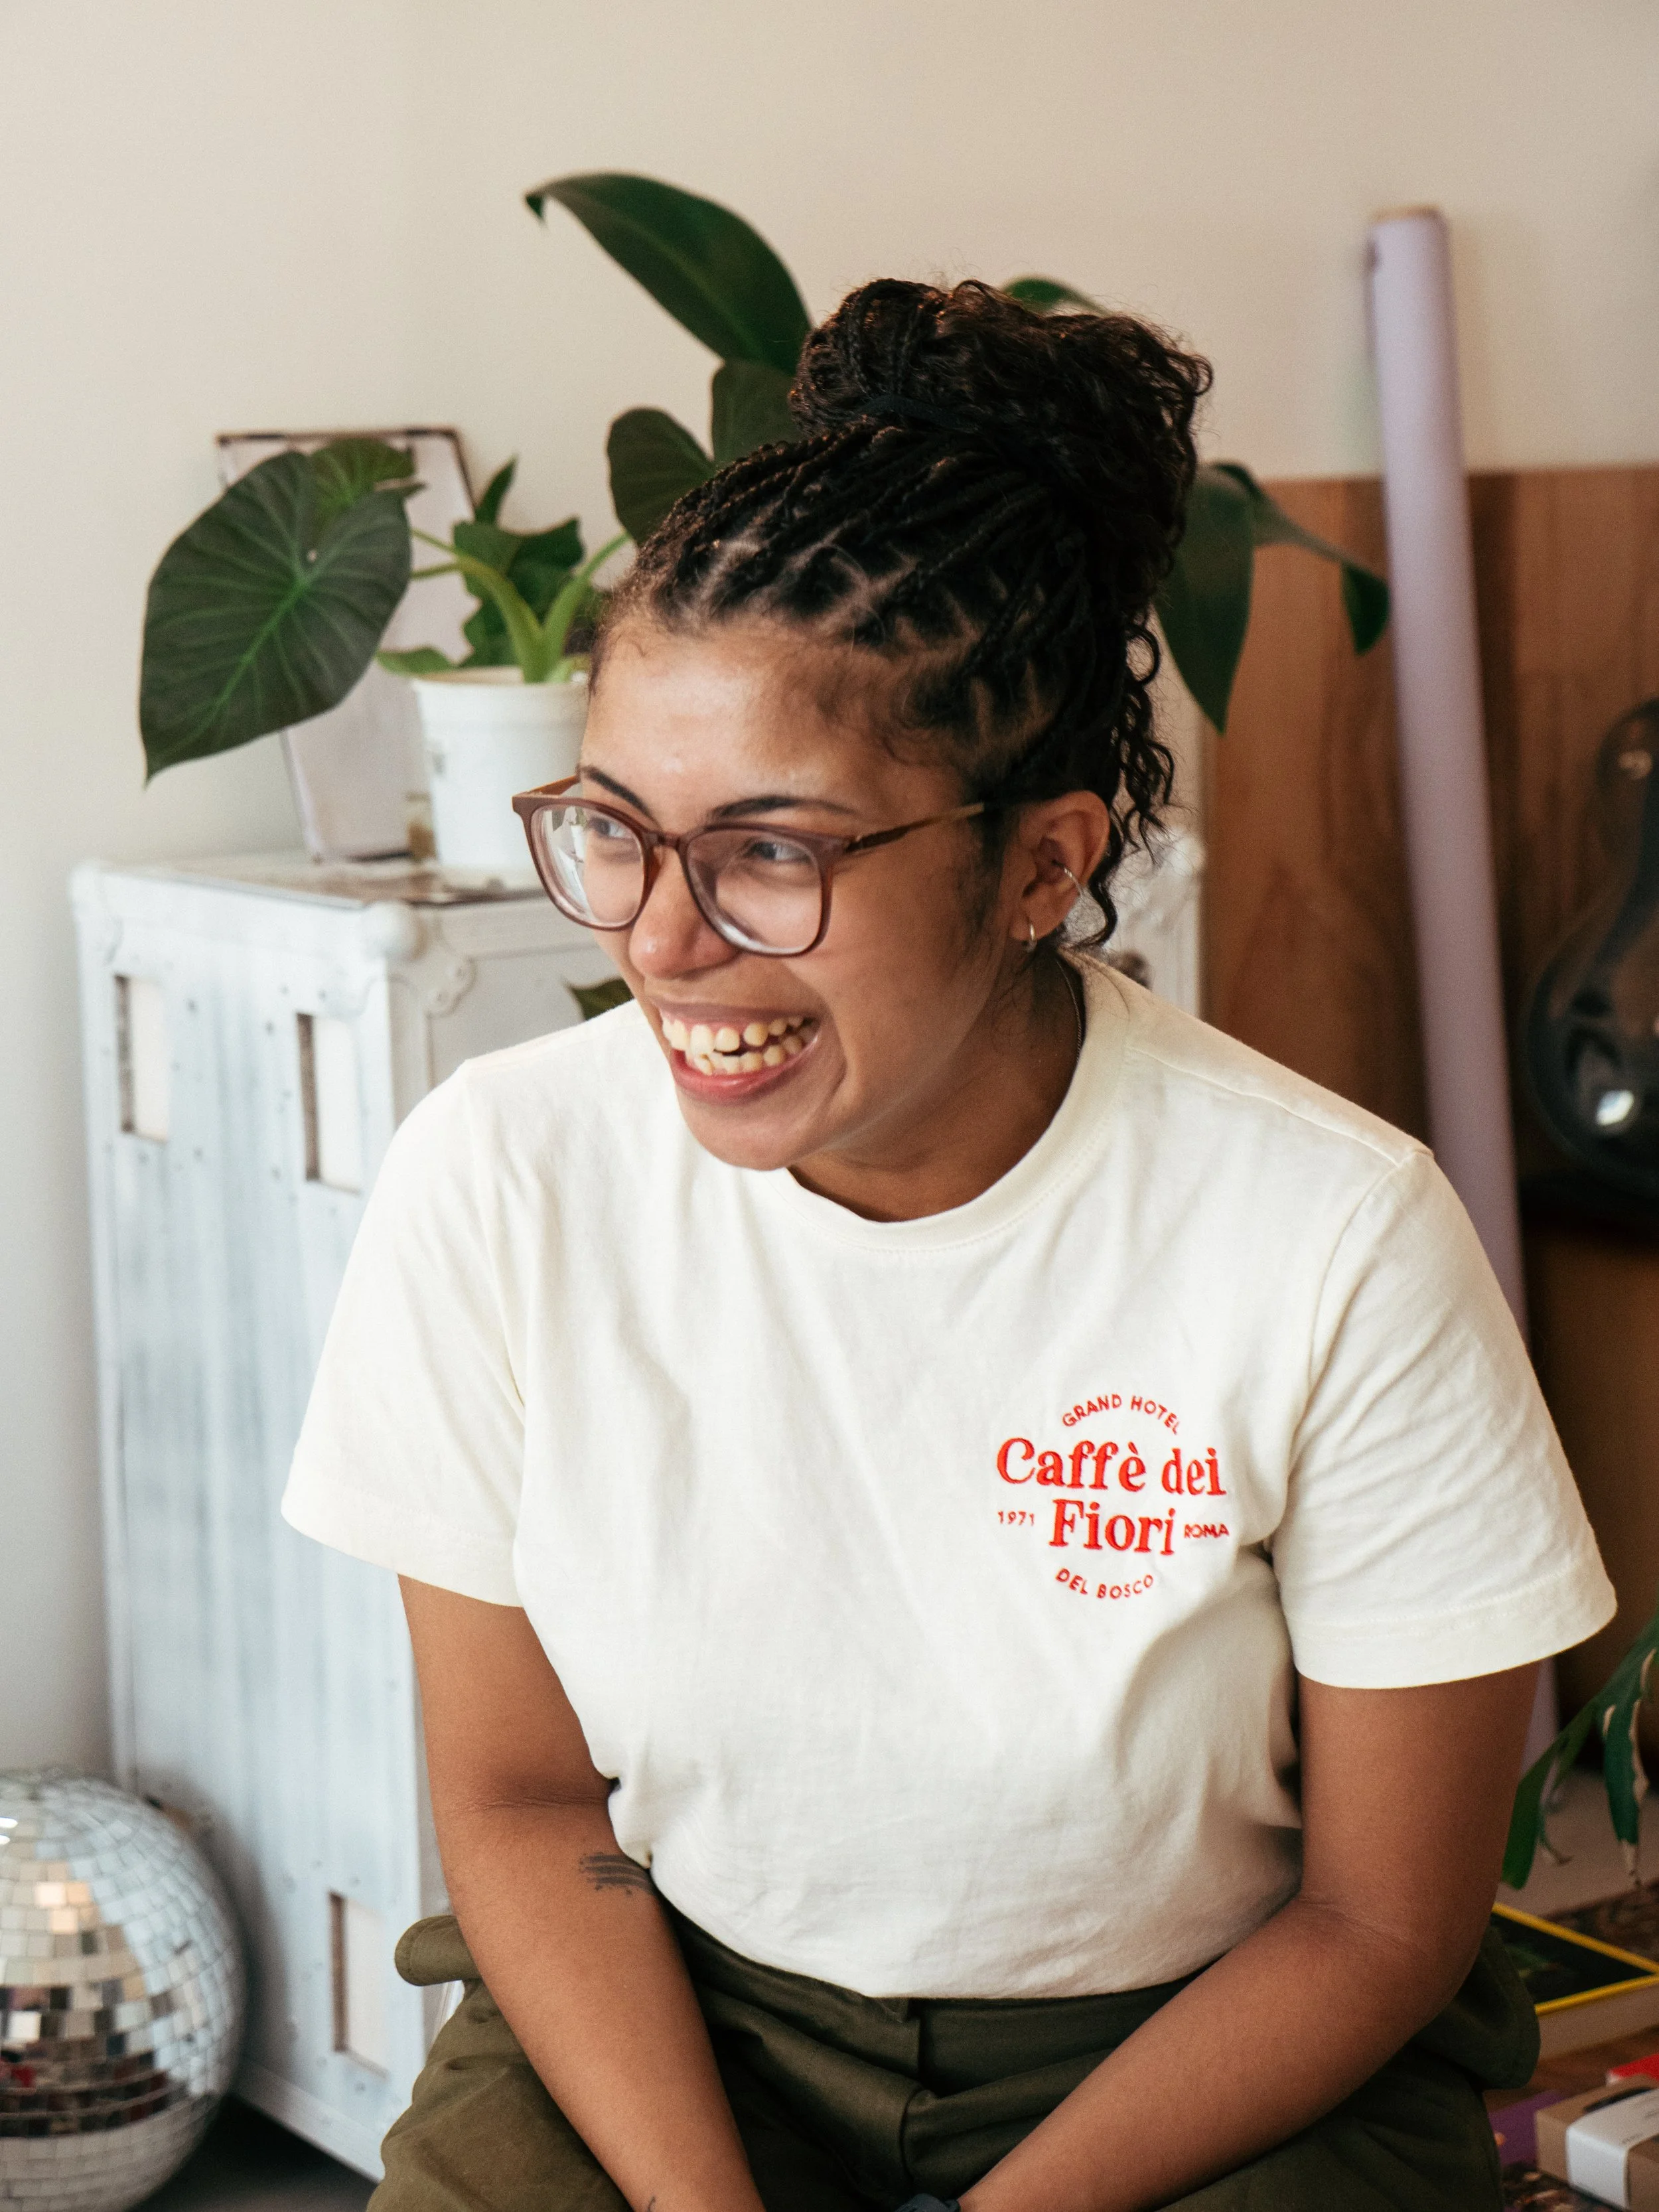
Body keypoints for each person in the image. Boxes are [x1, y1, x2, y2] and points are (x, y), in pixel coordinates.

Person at [282, 277, 1614, 2212]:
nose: (657, 938)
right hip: (681, 2010)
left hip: (1211, 2052)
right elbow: (522, 1799)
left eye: (772, 849)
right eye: (613, 828)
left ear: (1043, 863)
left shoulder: (1326, 1232)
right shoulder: (499, 1178)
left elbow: (1380, 1924)